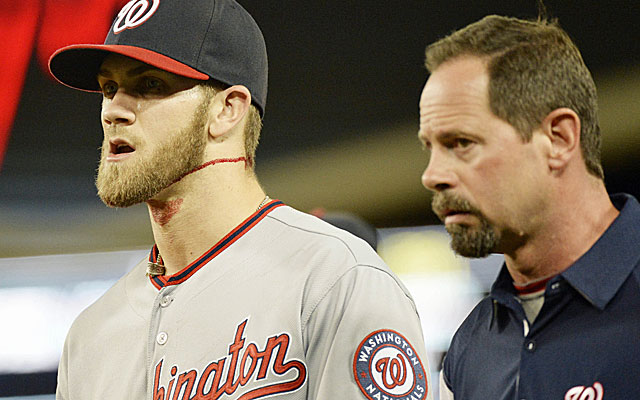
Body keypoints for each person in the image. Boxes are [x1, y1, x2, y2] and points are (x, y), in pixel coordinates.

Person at [48, 0, 433, 399]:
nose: (113, 111)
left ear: (228, 110)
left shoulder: (335, 279)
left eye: (149, 84)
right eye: (109, 88)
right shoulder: (89, 336)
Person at [417, 15, 640, 400]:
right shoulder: (472, 344)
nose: (432, 175)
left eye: (461, 143)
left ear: (558, 139)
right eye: (430, 147)